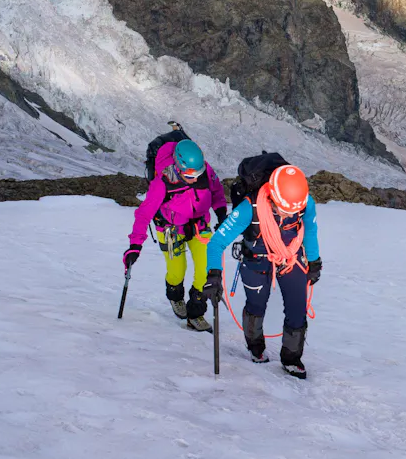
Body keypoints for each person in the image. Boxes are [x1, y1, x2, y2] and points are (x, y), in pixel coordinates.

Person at [203, 163, 322, 379]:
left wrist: (314, 261)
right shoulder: (250, 208)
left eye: (293, 211)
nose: (289, 215)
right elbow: (217, 242)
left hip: (290, 256)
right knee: (256, 305)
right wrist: (213, 274)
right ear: (273, 196)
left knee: (297, 308)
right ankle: (255, 347)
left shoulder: (304, 203)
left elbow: (310, 229)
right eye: (284, 209)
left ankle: (291, 358)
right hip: (256, 258)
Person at [122, 139, 228, 332]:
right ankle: (175, 296)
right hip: (171, 229)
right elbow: (144, 213)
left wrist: (221, 214)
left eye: (199, 172)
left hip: (199, 226)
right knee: (177, 269)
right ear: (178, 167)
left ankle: (196, 313)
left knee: (206, 268)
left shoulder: (206, 171)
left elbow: (217, 192)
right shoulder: (163, 182)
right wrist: (135, 245)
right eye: (190, 174)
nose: (196, 178)